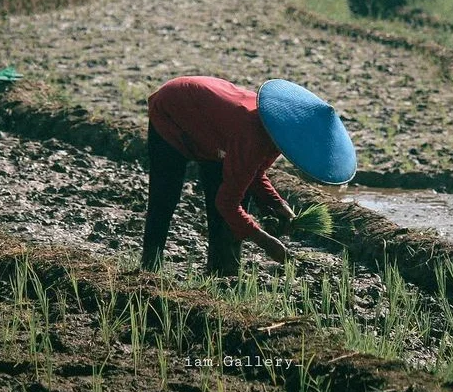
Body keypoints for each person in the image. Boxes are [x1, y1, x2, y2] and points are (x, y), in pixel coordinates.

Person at [140, 76, 356, 276]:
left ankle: (223, 272)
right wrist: (265, 241)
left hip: (216, 131)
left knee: (234, 190)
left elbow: (253, 171)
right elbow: (227, 202)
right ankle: (149, 268)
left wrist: (277, 203)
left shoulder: (274, 132)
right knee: (165, 196)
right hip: (174, 109)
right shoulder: (253, 135)